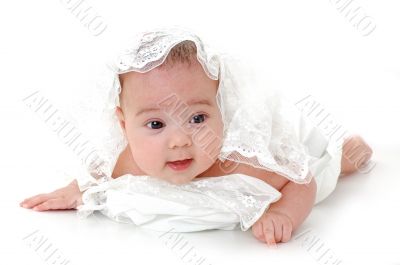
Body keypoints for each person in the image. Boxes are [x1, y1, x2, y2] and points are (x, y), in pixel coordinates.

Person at [20, 27, 373, 247]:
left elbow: (302, 178)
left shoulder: (238, 164)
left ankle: (347, 155)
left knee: (325, 168)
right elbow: (99, 173)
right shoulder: (128, 160)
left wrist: (283, 212)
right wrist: (75, 189)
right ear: (123, 126)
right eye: (156, 125)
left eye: (198, 118)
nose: (179, 141)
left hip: (293, 159)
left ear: (221, 110)